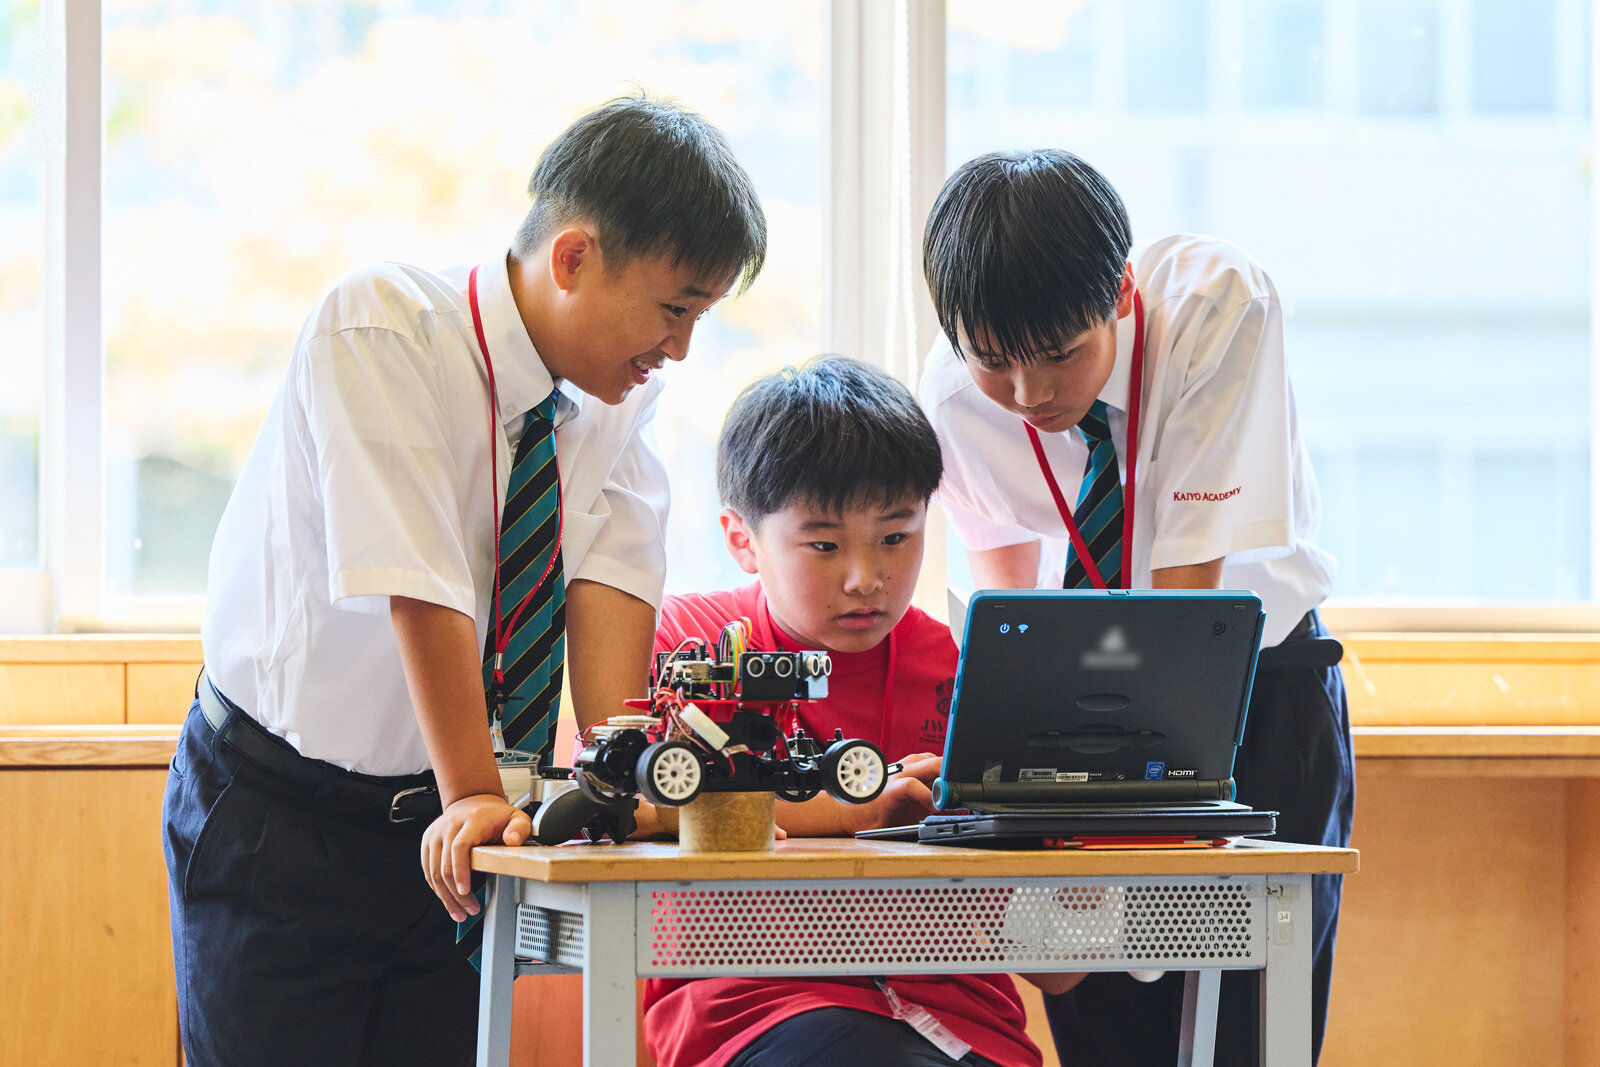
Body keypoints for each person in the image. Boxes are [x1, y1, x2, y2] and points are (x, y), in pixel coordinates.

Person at [161, 95, 766, 1067]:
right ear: (574, 257)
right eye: (674, 308)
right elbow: (419, 581)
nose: (680, 348)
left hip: (453, 832)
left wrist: (609, 783)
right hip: (282, 813)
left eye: (699, 317)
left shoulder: (617, 404)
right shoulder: (381, 326)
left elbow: (611, 589)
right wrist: (472, 791)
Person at [917, 148, 1354, 1065]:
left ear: (1119, 292)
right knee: (1106, 1034)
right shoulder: (956, 397)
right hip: (1071, 723)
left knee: (1250, 1033)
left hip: (1253, 685)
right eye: (994, 361)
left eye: (1059, 355)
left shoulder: (1216, 306)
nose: (1029, 394)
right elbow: (1012, 624)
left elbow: (1189, 615)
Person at [634, 356, 1078, 1067]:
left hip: (963, 1017)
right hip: (757, 1004)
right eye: (824, 544)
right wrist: (860, 811)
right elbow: (633, 806)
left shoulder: (964, 668)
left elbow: (1059, 967)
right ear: (742, 539)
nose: (865, 578)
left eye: (895, 537)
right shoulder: (689, 645)